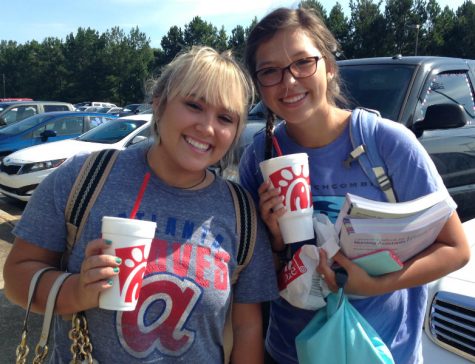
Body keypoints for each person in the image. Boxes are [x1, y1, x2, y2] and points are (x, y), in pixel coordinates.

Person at [4, 46, 279, 363]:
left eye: (225, 118)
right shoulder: (84, 177)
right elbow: (16, 277)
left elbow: (246, 328)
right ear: (159, 103)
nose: (207, 127)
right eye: (193, 105)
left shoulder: (240, 211)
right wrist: (76, 291)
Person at [239, 7, 470, 364]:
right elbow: (253, 280)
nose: (289, 81)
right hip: (289, 351)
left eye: (303, 62)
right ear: (259, 83)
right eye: (270, 71)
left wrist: (376, 285)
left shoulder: (388, 144)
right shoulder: (260, 155)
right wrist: (275, 242)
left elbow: (456, 249)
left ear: (329, 65)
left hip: (379, 351)